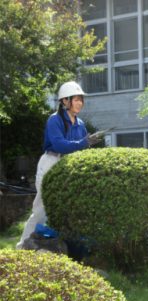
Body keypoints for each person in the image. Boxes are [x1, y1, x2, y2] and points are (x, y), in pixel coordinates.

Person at [17, 81, 101, 249]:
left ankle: (61, 248)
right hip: (51, 162)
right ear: (65, 101)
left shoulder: (81, 124)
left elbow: (80, 149)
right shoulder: (54, 120)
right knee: (41, 209)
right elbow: (59, 145)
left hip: (69, 165)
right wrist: (83, 142)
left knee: (68, 208)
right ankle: (22, 248)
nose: (80, 103)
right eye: (76, 99)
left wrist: (88, 146)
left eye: (81, 100)